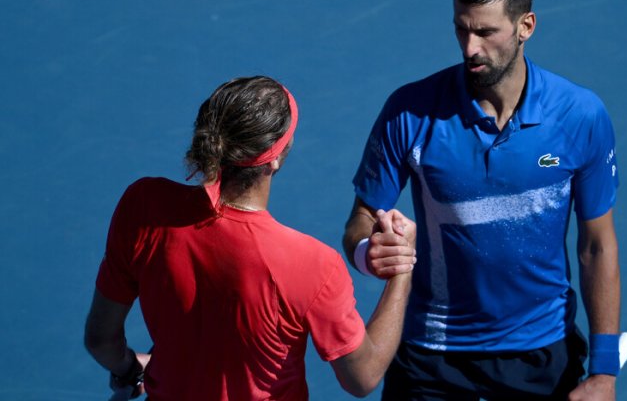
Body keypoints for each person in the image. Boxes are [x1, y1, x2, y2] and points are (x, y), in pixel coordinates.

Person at [342, 0, 622, 400]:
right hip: (430, 357)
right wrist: (368, 250)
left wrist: (604, 372)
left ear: (526, 26)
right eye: (461, 28)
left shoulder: (580, 116)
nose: (470, 48)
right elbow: (360, 217)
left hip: (541, 355)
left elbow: (597, 244)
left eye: (486, 32)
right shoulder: (408, 111)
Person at [84, 76, 418, 400]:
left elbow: (101, 340)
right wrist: (403, 269)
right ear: (274, 159)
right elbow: (362, 378)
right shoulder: (312, 263)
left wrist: (130, 368)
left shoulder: (144, 206)